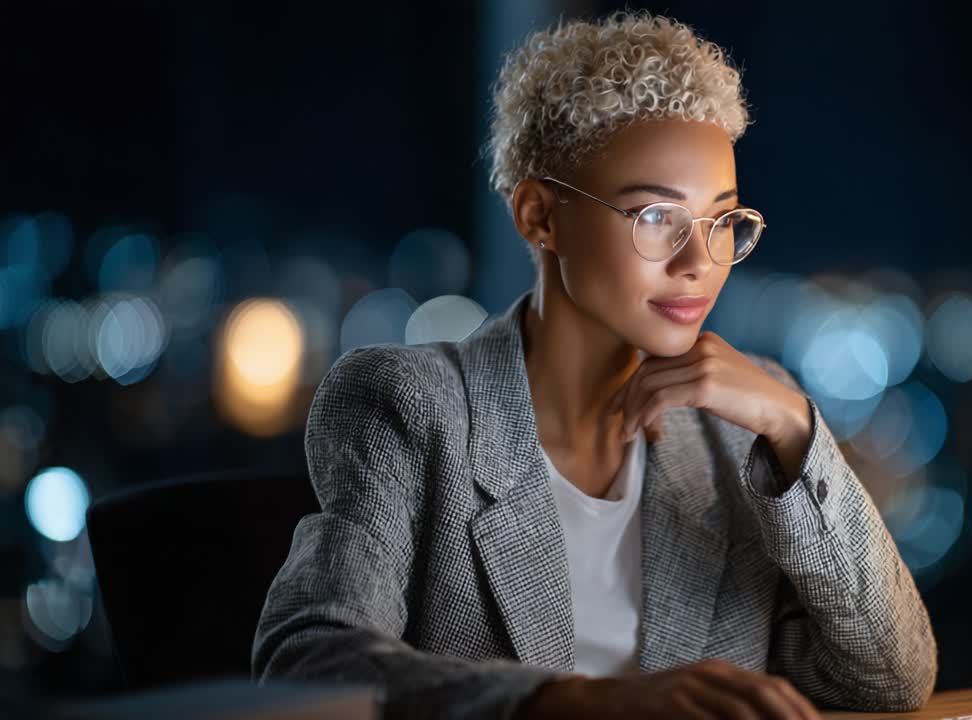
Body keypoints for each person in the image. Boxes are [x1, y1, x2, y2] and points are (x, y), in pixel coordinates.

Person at [251, 10, 937, 720]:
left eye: (722, 222)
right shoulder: (412, 406)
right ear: (539, 217)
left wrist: (796, 428)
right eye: (654, 219)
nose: (699, 263)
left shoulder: (744, 428)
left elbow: (890, 678)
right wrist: (579, 702)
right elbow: (307, 663)